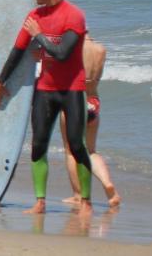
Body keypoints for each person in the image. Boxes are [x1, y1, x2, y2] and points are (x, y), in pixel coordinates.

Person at [0, 0, 93, 216]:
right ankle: (40, 201)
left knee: (77, 145)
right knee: (38, 145)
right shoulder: (34, 15)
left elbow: (62, 54)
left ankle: (86, 201)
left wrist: (39, 34)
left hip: (72, 88)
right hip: (45, 88)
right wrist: (1, 81)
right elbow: (18, 50)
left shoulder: (73, 15)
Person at [60, 35, 121, 206]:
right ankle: (108, 185)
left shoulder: (73, 48)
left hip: (74, 100)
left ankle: (78, 195)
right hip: (93, 101)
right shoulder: (101, 50)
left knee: (71, 151)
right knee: (91, 150)